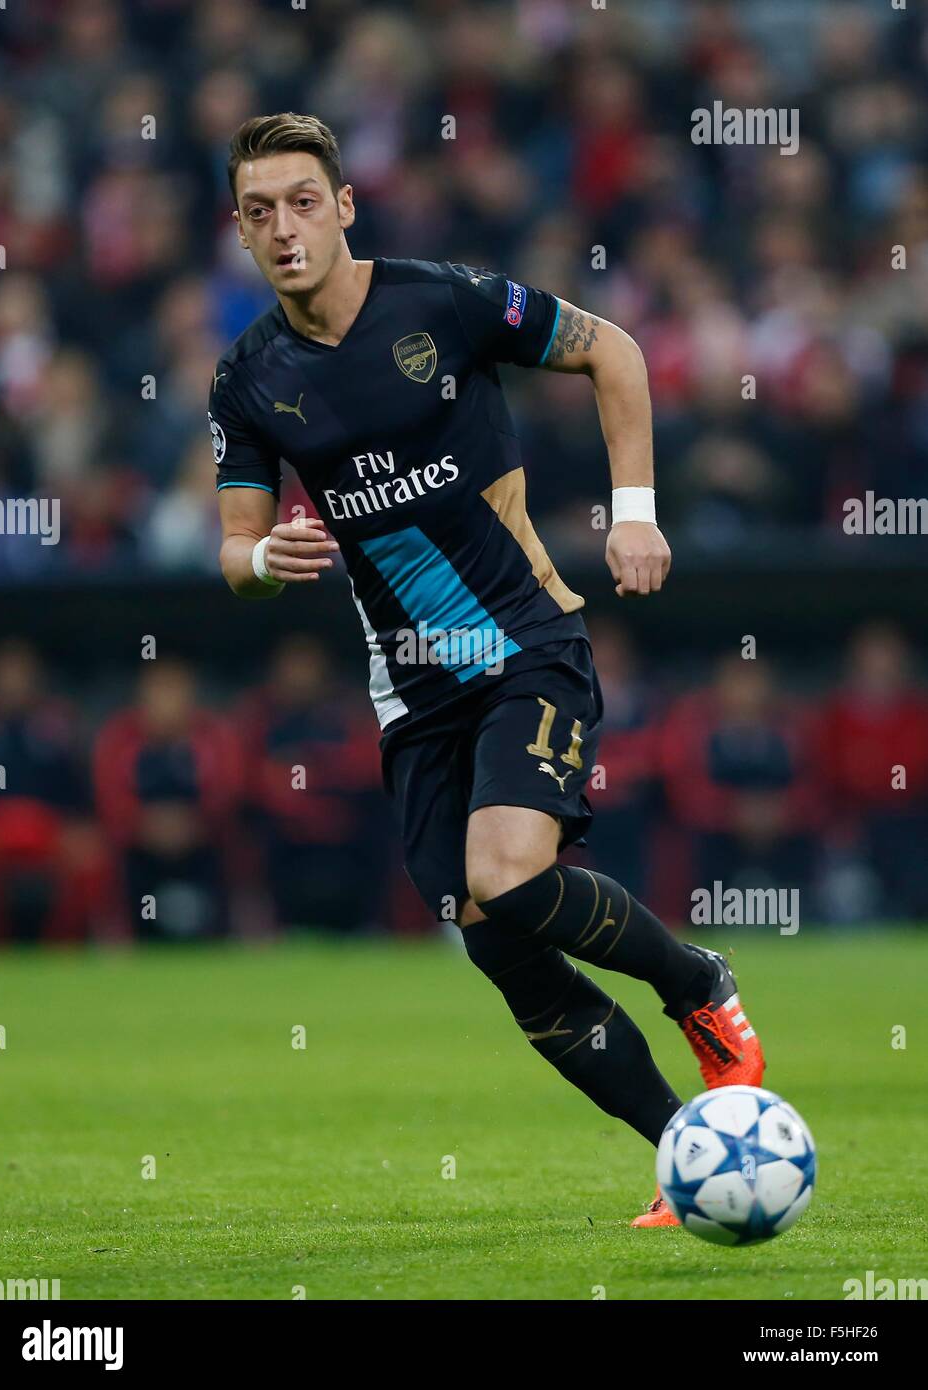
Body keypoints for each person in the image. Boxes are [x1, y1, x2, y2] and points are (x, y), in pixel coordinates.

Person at [209, 111, 765, 1226]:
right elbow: (233, 554)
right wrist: (265, 556)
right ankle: (683, 1149)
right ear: (240, 227)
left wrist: (635, 511)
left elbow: (613, 347)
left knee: (508, 870)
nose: (283, 228)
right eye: (259, 211)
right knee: (498, 944)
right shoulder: (247, 381)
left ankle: (695, 983)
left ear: (344, 206)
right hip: (409, 698)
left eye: (303, 202)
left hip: (524, 645)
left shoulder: (442, 302)